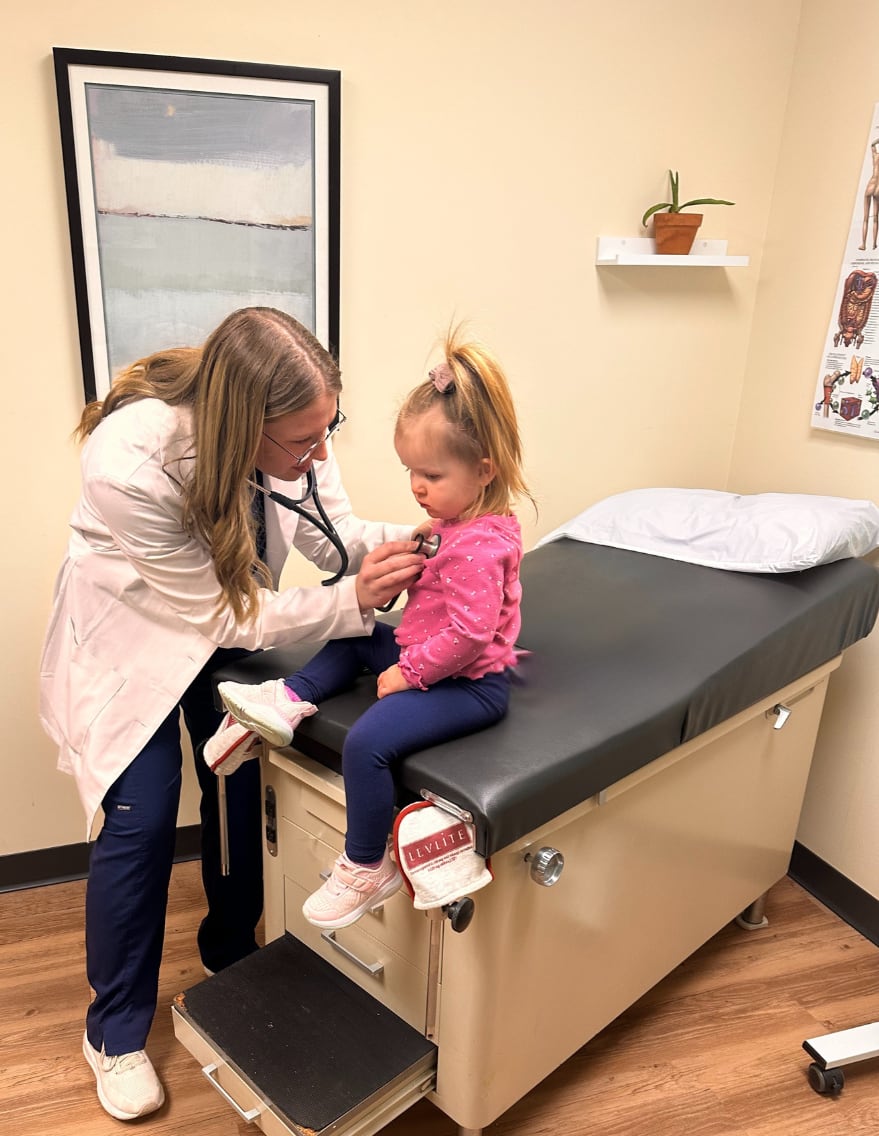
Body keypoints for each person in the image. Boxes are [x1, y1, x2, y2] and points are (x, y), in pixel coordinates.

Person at [38, 307, 428, 1121]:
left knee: (239, 776)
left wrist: (429, 541)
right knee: (141, 820)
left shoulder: (293, 437)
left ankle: (229, 948)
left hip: (226, 621)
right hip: (132, 640)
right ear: (244, 423)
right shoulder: (129, 461)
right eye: (303, 441)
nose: (319, 453)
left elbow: (334, 536)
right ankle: (113, 1031)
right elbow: (221, 616)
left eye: (327, 432)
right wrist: (352, 601)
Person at [213, 327, 534, 930]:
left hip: (469, 685)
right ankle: (286, 699)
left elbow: (469, 637)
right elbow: (433, 604)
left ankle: (366, 865)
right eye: (411, 470)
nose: (417, 487)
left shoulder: (478, 547)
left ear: (484, 470)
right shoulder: (455, 527)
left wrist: (407, 674)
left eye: (431, 475)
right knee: (355, 628)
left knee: (366, 745)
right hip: (435, 655)